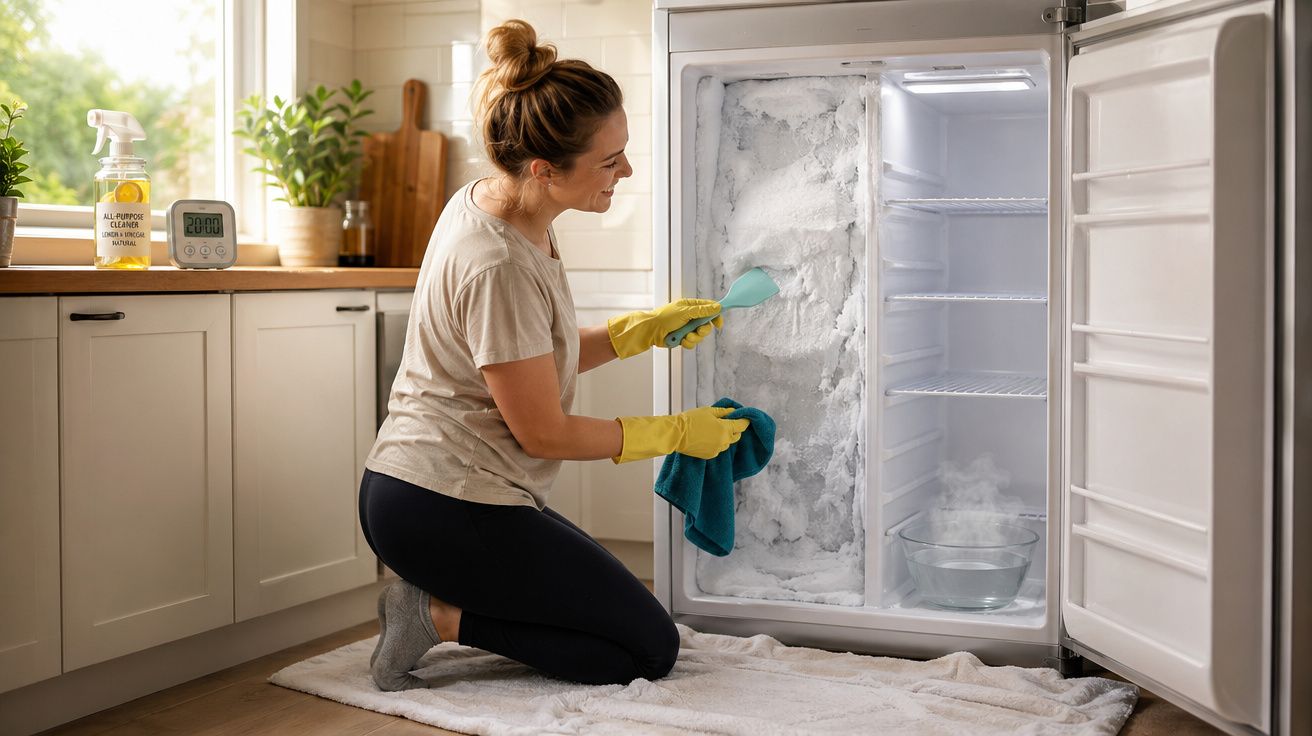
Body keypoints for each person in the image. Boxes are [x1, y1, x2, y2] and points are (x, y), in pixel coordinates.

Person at [358, 19, 751, 692]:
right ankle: (434, 616)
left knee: (617, 625)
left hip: (459, 492)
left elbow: (530, 368)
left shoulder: (510, 209)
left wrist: (639, 330)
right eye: (609, 161)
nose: (624, 171)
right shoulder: (495, 262)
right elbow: (543, 430)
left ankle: (444, 605)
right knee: (644, 651)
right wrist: (675, 434)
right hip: (437, 506)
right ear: (544, 169)